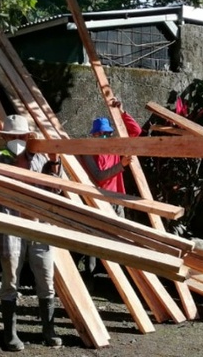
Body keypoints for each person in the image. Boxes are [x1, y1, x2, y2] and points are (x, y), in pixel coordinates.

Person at [0, 114, 62, 351]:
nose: (16, 140)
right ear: (5, 138)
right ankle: (10, 334)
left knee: (46, 279)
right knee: (10, 282)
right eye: (11, 136)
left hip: (39, 226)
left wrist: (54, 163)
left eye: (20, 135)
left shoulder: (41, 158)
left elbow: (57, 190)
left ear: (28, 137)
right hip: (10, 227)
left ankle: (48, 330)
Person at [77, 98, 140, 276]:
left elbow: (135, 131)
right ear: (93, 135)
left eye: (106, 134)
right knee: (94, 237)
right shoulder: (88, 152)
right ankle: (90, 274)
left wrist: (122, 112)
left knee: (119, 236)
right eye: (99, 134)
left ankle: (118, 276)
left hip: (116, 198)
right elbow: (98, 176)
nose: (103, 137)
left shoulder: (115, 147)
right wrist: (121, 165)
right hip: (96, 199)